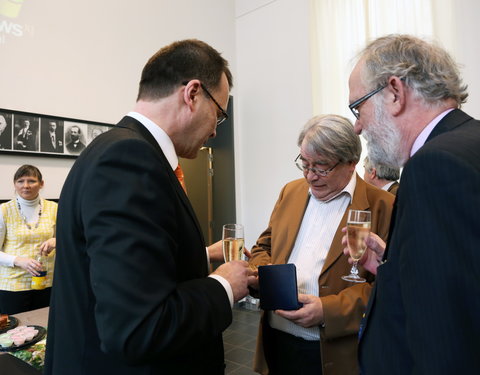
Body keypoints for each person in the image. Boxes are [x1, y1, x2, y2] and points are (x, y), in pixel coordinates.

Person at [45, 39, 255, 375]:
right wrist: (224, 285)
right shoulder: (130, 160)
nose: (216, 130)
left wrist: (203, 255)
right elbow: (139, 327)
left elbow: (130, 271)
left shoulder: (112, 148)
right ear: (193, 94)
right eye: (220, 113)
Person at [348, 34, 480, 374]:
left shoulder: (435, 166)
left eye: (357, 107)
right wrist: (394, 266)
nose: (358, 125)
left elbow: (446, 339)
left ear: (394, 93)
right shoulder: (468, 144)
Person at [248, 114, 394, 375]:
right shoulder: (290, 192)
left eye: (321, 167)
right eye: (304, 164)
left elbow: (389, 287)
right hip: (276, 343)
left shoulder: (384, 206)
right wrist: (263, 275)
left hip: (334, 354)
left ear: (351, 163)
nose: (310, 176)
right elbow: (263, 246)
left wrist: (328, 310)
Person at [0, 165, 57, 314]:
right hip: (14, 284)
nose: (25, 186)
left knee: (45, 330)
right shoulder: (4, 210)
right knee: (14, 334)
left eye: (31, 181)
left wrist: (56, 241)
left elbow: (68, 238)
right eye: (20, 181)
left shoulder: (54, 208)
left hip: (47, 281)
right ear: (14, 184)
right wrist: (19, 260)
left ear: (41, 184)